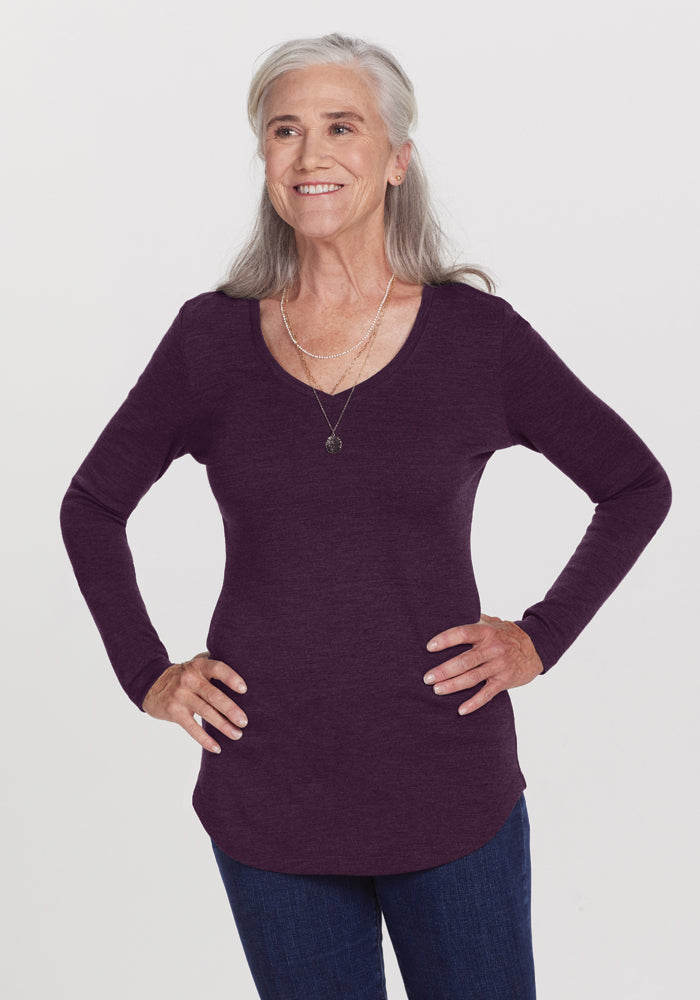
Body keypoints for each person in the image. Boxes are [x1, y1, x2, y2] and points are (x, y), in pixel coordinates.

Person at [59, 31, 672, 1000]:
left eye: (340, 126)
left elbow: (635, 483)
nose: (309, 156)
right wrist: (148, 674)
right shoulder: (208, 338)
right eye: (284, 130)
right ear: (263, 158)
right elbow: (92, 505)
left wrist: (539, 637)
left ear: (395, 158)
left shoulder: (478, 337)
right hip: (268, 795)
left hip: (446, 784)